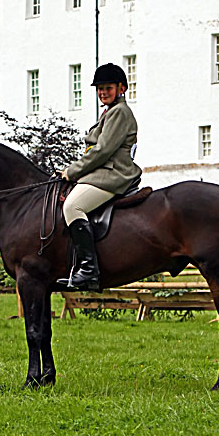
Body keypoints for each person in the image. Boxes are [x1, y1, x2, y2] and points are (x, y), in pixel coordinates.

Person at [57, 63, 142, 291]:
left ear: (121, 88)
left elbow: (102, 151)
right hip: (103, 171)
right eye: (99, 88)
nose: (103, 92)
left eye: (108, 88)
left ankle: (88, 270)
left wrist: (72, 171)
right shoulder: (110, 112)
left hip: (113, 174)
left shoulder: (120, 113)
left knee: (72, 207)